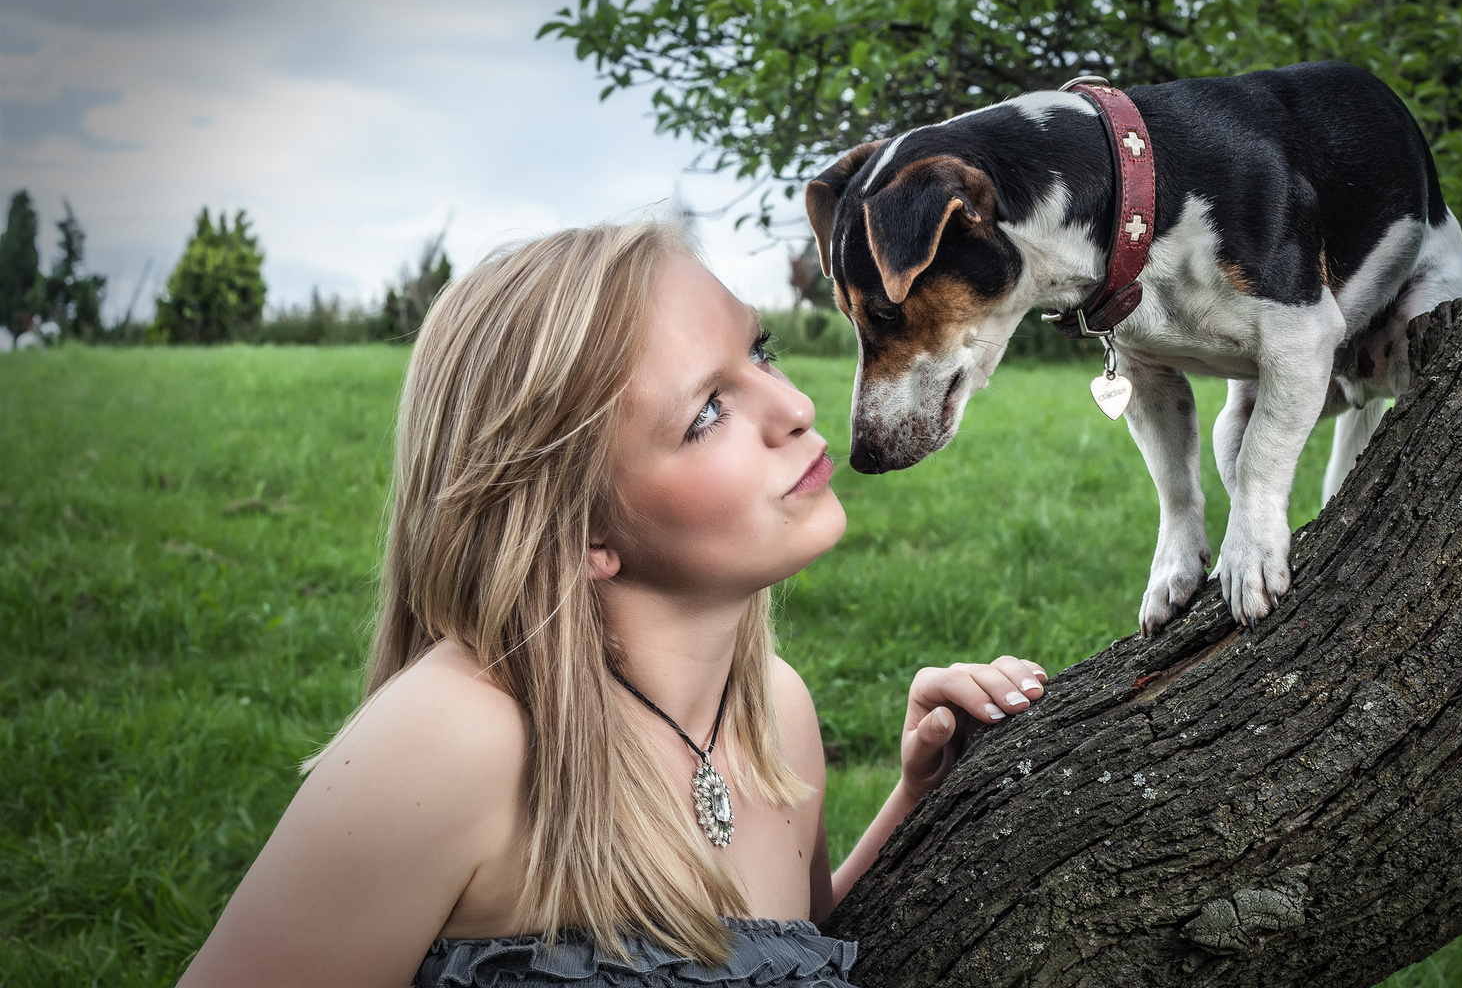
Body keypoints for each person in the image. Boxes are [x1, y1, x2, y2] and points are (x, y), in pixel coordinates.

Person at [180, 220, 1049, 987]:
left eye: (762, 351)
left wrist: (918, 800)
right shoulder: (456, 740)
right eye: (708, 411)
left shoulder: (774, 713)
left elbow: (786, 954)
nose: (795, 406)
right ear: (581, 533)